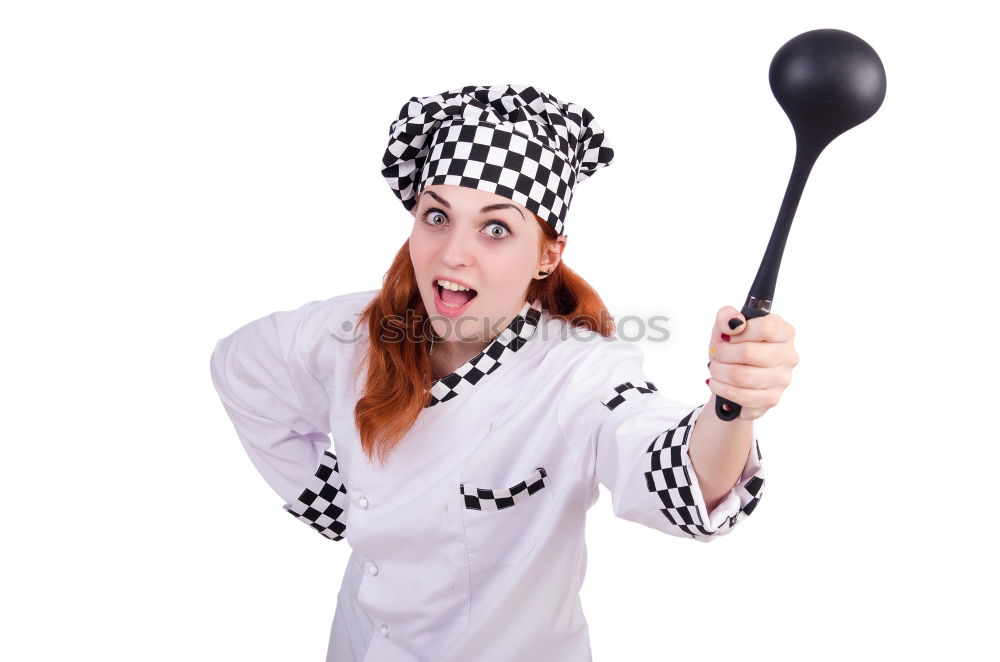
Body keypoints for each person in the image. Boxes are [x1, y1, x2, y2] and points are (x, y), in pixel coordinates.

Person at [209, 84, 799, 662]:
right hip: (360, 641)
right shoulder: (349, 334)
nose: (452, 253)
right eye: (436, 215)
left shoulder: (579, 374)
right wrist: (335, 507)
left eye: (496, 228)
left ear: (548, 254)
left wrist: (734, 405)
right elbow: (240, 370)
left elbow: (677, 476)